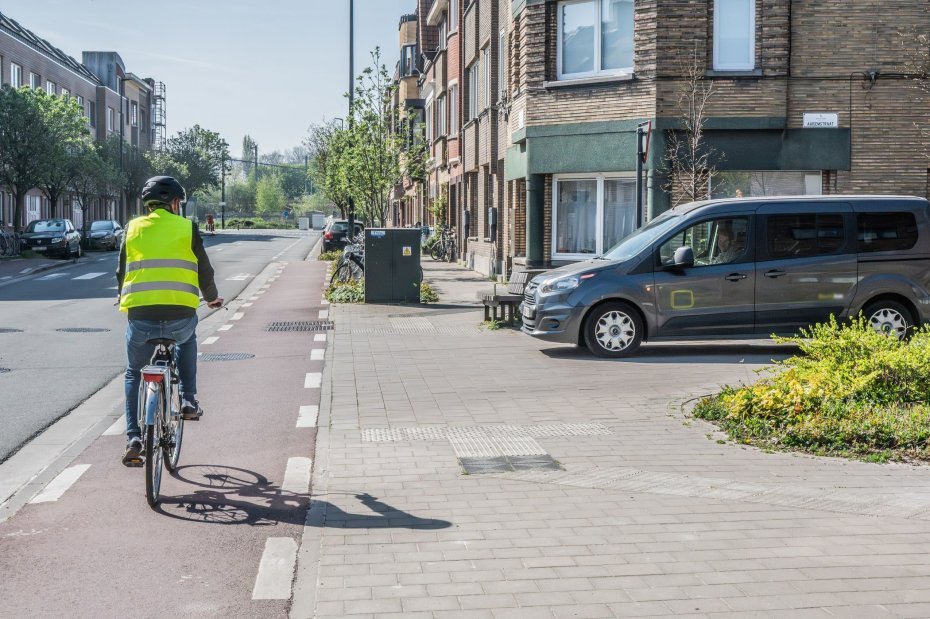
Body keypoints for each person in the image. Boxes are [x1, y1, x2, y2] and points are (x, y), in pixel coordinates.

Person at [116, 176, 224, 466]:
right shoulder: (187, 227)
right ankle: (188, 399)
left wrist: (121, 297)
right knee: (187, 340)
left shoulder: (132, 228)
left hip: (140, 317)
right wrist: (211, 297)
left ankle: (133, 437)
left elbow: (121, 270)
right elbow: (204, 269)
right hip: (180, 315)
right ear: (175, 203)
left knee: (133, 372)